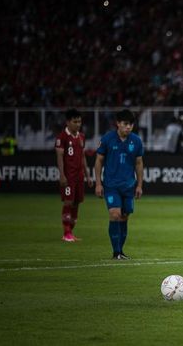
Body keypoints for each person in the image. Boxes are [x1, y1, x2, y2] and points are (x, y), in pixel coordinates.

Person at [94, 109, 144, 260]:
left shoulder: (136, 141)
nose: (128, 127)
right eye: (125, 124)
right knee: (114, 214)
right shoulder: (108, 139)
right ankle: (116, 252)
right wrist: (98, 183)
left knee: (124, 217)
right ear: (118, 124)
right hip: (111, 185)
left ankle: (120, 251)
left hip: (129, 186)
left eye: (131, 124)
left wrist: (140, 185)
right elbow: (99, 161)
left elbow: (139, 163)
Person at [55, 109, 94, 242]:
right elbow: (59, 157)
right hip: (69, 176)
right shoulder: (62, 137)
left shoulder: (81, 136)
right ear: (68, 122)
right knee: (68, 202)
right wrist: (62, 175)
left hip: (79, 176)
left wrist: (88, 176)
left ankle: (70, 232)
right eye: (75, 121)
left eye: (79, 121)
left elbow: (83, 156)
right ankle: (66, 233)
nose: (78, 124)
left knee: (77, 202)